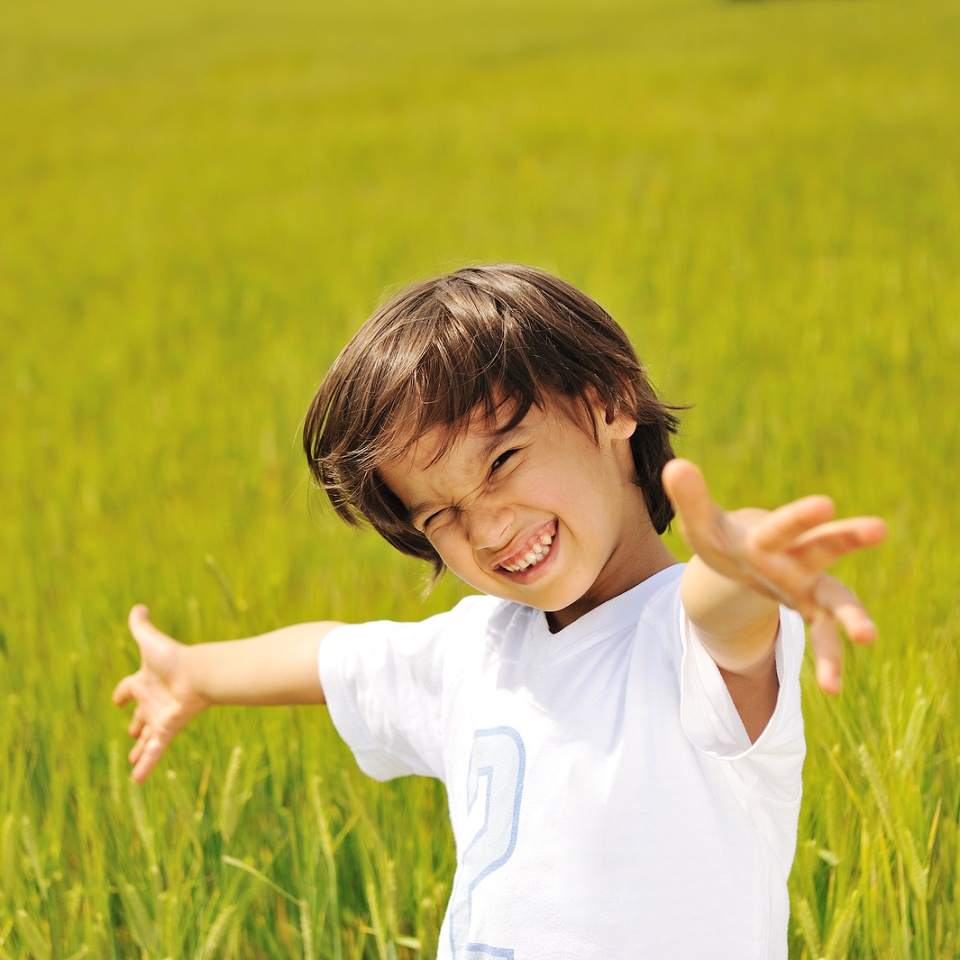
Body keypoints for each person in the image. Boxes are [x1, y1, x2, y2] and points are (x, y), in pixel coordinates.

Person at [113, 264, 886, 959]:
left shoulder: (682, 644)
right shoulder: (474, 650)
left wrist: (747, 558)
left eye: (503, 461)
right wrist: (195, 671)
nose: (486, 528)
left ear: (611, 402)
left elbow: (725, 605)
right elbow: (333, 658)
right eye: (438, 515)